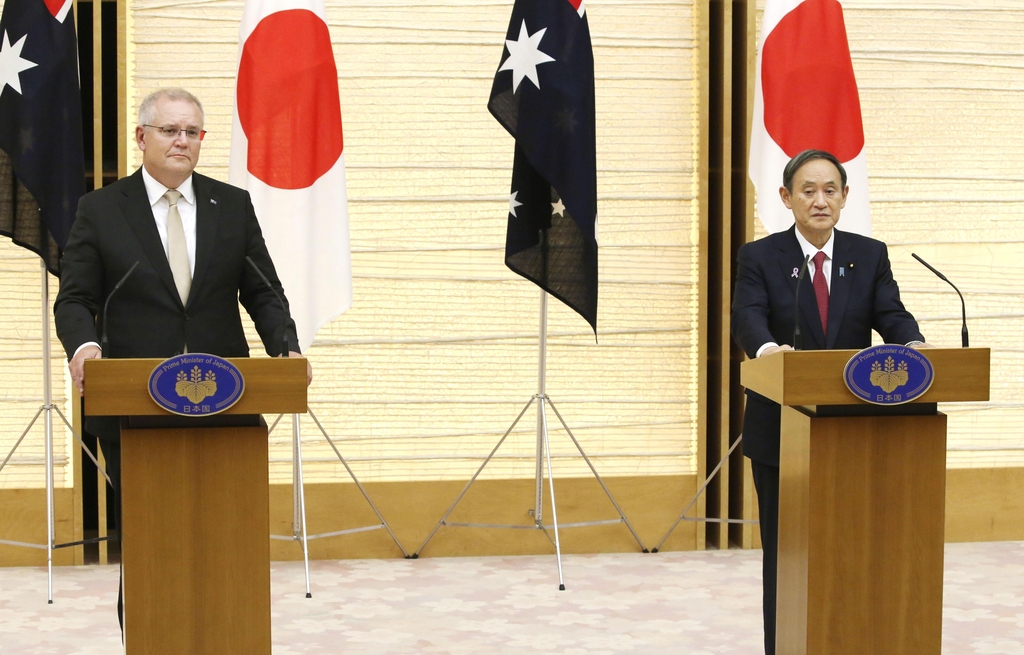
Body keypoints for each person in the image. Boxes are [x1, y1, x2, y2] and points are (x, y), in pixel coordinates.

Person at [53, 87, 311, 625]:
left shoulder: (232, 205)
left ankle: (225, 632)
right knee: (155, 538)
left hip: (227, 404)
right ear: (142, 137)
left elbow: (262, 290)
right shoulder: (100, 210)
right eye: (170, 130)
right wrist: (85, 347)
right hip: (135, 406)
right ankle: (151, 634)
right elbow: (76, 298)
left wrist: (285, 348)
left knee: (226, 533)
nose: (182, 141)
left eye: (192, 132)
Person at [731, 149, 930, 655]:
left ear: (844, 196)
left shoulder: (869, 254)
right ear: (786, 197)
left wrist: (913, 346)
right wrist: (772, 352)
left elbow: (892, 313)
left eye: (830, 190)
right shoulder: (760, 257)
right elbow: (748, 318)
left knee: (855, 546)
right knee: (788, 553)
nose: (820, 200)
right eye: (808, 190)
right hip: (781, 430)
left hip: (855, 429)